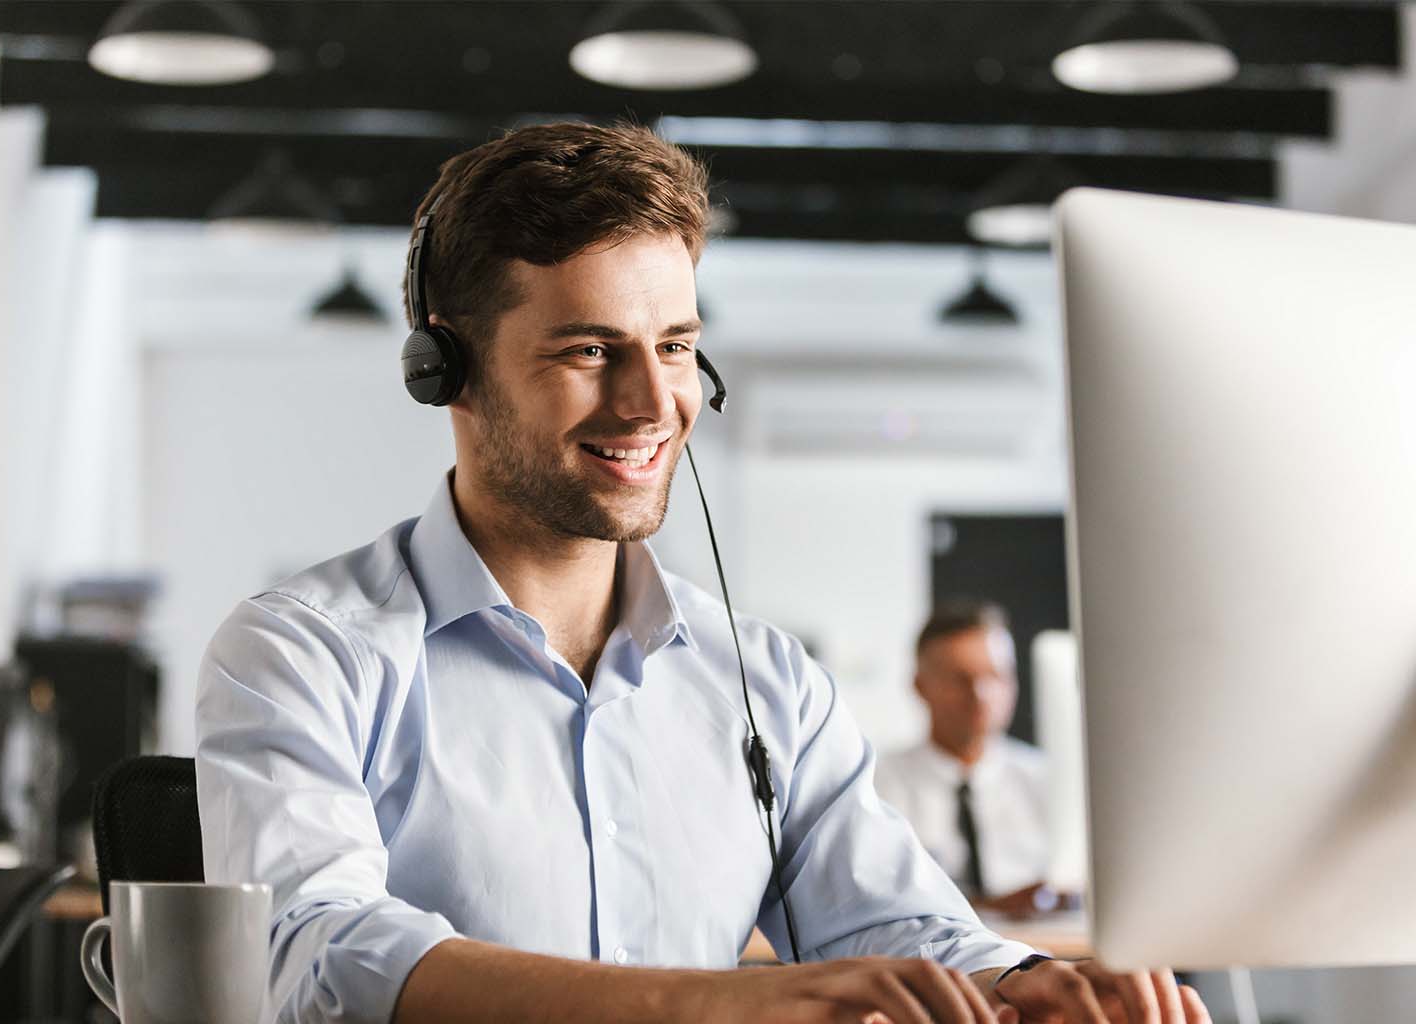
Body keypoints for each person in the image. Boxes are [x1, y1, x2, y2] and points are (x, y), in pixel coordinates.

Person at [196, 121, 1208, 1024]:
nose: (652, 403)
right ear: (446, 371)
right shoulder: (301, 649)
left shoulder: (766, 679)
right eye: (590, 350)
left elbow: (891, 919)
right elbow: (312, 952)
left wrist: (1019, 981)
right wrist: (711, 1001)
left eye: (676, 346)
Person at [875, 603, 1077, 920]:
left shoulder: (1051, 782)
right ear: (920, 686)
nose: (980, 694)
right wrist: (984, 909)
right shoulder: (878, 785)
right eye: (959, 679)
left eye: (996, 676)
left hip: (1046, 953)